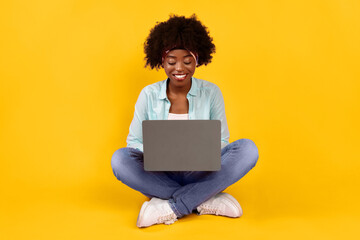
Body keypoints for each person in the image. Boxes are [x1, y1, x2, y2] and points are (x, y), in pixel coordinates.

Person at [111, 14, 259, 228]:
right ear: (161, 61)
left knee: (248, 149)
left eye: (187, 61)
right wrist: (155, 153)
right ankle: (204, 198)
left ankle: (171, 206)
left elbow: (222, 141)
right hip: (159, 173)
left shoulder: (211, 92)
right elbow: (133, 142)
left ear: (198, 60)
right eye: (172, 62)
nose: (179, 68)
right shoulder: (148, 94)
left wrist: (200, 155)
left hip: (200, 171)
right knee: (120, 160)